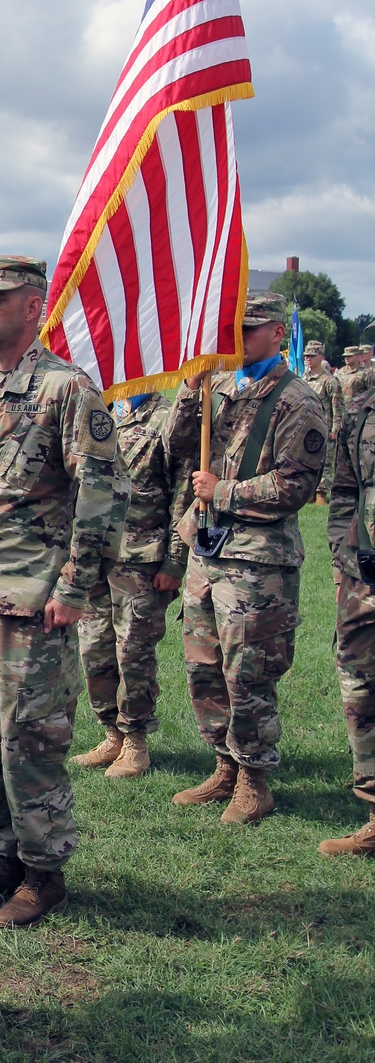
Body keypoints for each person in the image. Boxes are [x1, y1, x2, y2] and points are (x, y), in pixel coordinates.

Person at [0, 256, 129, 927]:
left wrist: (76, 584)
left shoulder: (66, 389)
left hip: (34, 601)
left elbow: (102, 490)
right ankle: (4, 857)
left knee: (30, 741)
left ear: (33, 305)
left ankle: (44, 873)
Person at [163, 290, 328, 824]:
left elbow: (296, 485)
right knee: (203, 667)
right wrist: (191, 390)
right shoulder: (221, 389)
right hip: (207, 552)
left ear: (278, 333)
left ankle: (255, 780)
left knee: (247, 673)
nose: (237, 341)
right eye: (233, 331)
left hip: (257, 562)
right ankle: (224, 765)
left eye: (249, 330)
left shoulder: (296, 400)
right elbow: (175, 445)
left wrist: (225, 493)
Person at [72, 390, 192, 778]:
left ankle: (136, 740)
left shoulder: (165, 419)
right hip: (95, 553)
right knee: (94, 650)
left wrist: (175, 560)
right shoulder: (101, 412)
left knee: (133, 654)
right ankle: (111, 733)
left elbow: (182, 494)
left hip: (141, 557)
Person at [322, 381, 375, 857]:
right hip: (364, 574)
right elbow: (343, 489)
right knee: (359, 685)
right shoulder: (361, 406)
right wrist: (343, 560)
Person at [303, 340, 343, 506]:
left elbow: (338, 407)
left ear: (321, 357)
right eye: (306, 356)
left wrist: (335, 429)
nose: (308, 359)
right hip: (306, 429)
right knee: (307, 461)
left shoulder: (330, 381)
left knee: (326, 462)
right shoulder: (303, 379)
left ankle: (321, 493)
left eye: (312, 356)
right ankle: (310, 493)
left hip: (324, 428)